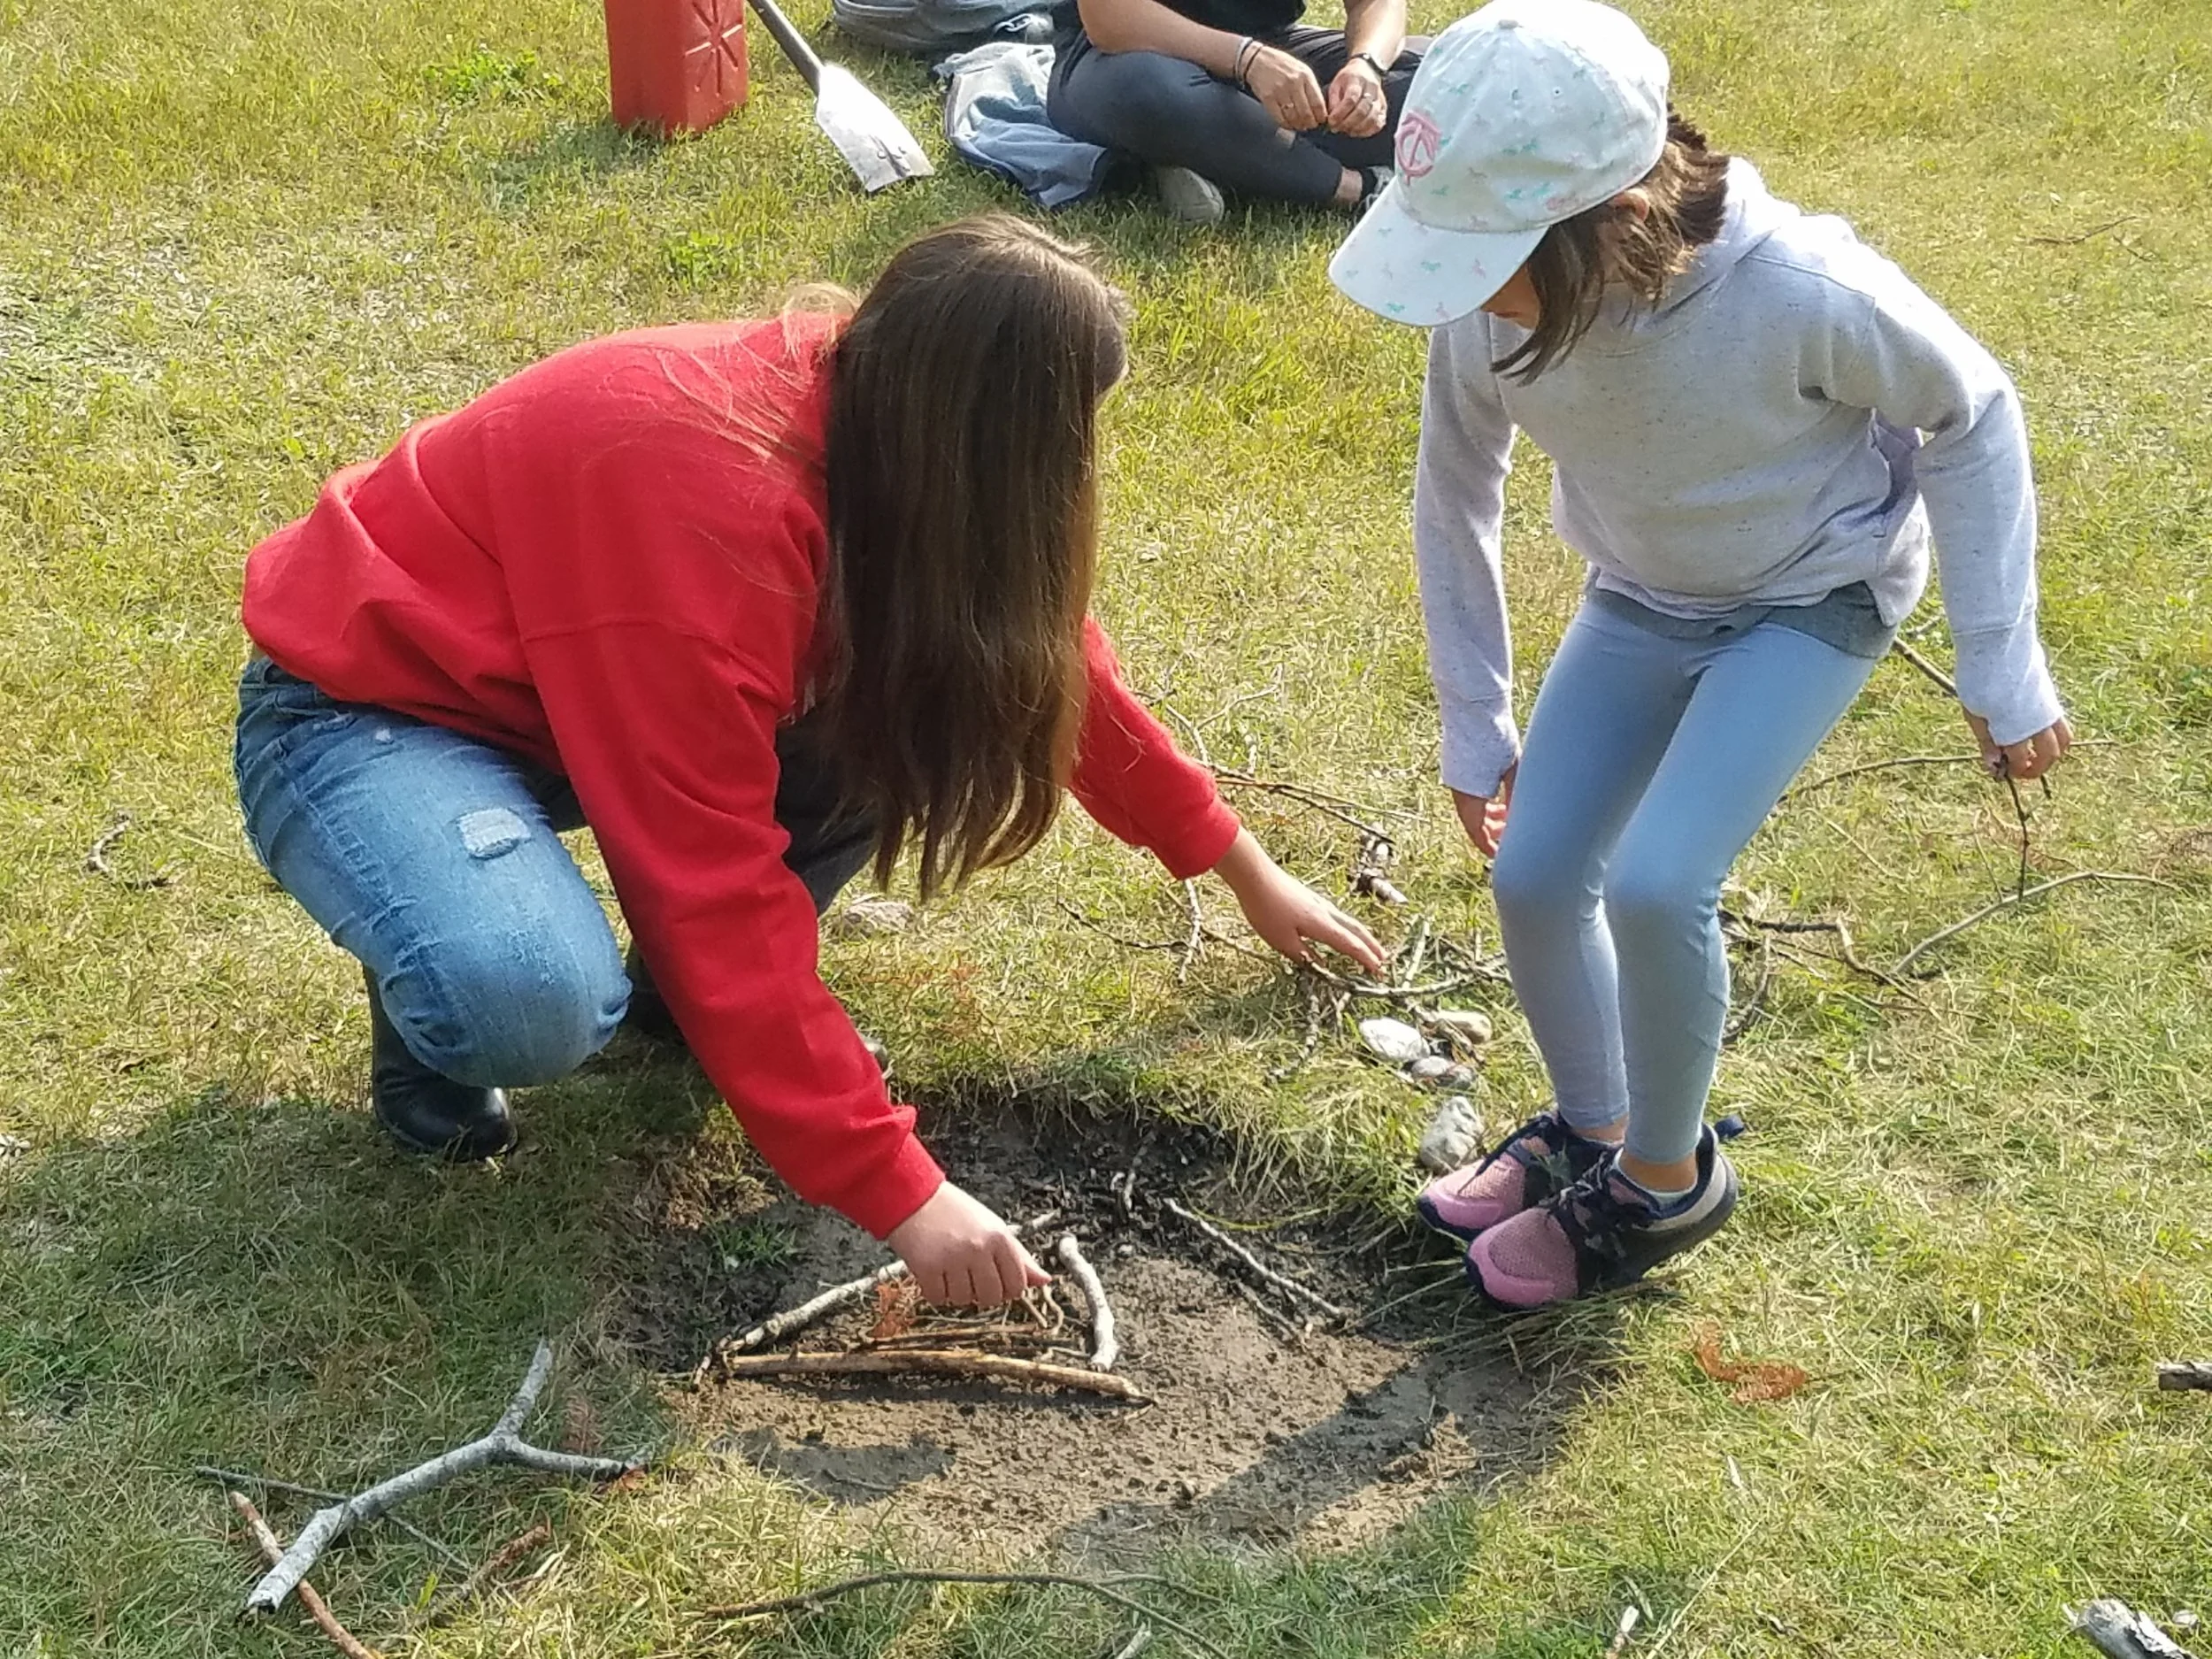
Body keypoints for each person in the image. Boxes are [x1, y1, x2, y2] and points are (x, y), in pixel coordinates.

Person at [234, 215, 1385, 1309]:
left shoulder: (883, 428)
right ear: (979, 436)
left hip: (575, 694)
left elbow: (1042, 661)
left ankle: (686, 1016)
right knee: (531, 991)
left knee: (921, 699)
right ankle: (434, 996)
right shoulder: (710, 507)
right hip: (374, 709)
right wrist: (908, 1195)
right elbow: (708, 879)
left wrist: (1237, 863)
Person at [1329, 1, 2071, 1308]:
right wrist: (1473, 715)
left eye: (1484, 252)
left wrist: (2002, 662)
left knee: (1662, 881)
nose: (1455, 285)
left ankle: (1665, 1183)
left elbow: (1972, 409)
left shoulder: (1799, 291)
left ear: (1605, 223)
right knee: (1540, 868)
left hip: (1811, 597)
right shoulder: (1482, 311)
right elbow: (1455, 492)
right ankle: (1595, 1124)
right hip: (1640, 594)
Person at [1045, 0, 1422, 222]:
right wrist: (1247, 59)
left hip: (1274, 47)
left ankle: (1215, 155)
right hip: (1127, 56)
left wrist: (1366, 66)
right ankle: (1360, 187)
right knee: (1147, 91)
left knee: (1450, 76)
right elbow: (1109, 18)